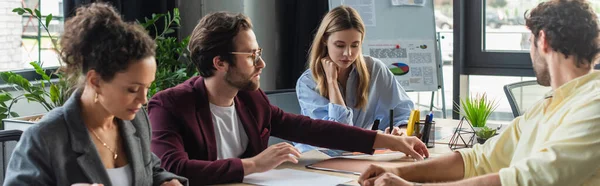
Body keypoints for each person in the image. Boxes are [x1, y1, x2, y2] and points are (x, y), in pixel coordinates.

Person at [148, 11, 429, 185]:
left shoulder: (251, 100)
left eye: (259, 53)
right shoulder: (170, 105)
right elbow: (174, 167)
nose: (262, 63)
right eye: (251, 56)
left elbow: (311, 129)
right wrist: (254, 164)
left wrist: (390, 141)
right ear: (220, 62)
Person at [358, 0, 600, 186]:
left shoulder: (594, 104)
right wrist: (398, 171)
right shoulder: (548, 105)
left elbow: (530, 178)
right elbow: (479, 159)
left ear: (543, 41)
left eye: (530, 41)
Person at [4, 3, 187, 186]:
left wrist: (165, 181)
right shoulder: (45, 137)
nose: (143, 99)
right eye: (132, 89)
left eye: (147, 87)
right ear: (95, 81)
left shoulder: (137, 120)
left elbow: (151, 170)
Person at [295, 5, 414, 152]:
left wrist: (401, 131)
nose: (348, 53)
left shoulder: (375, 69)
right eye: (340, 45)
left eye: (355, 45)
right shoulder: (307, 82)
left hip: (356, 156)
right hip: (316, 158)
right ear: (325, 40)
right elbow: (339, 137)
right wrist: (332, 83)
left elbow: (403, 112)